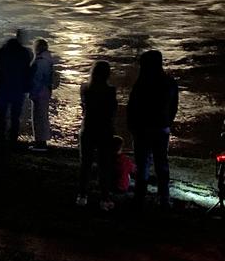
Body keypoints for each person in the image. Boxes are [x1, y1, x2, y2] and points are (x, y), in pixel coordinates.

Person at [127, 50, 178, 208]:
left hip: (142, 129)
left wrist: (132, 126)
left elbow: (132, 107)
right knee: (161, 163)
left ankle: (139, 197)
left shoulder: (141, 83)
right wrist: (167, 122)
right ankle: (164, 198)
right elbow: (174, 106)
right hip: (161, 128)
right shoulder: (169, 82)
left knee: (142, 163)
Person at [76, 61, 117, 210]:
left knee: (85, 164)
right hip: (104, 130)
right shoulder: (111, 91)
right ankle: (104, 199)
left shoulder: (84, 88)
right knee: (104, 165)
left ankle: (82, 196)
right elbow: (113, 112)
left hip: (87, 128)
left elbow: (83, 107)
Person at [0, 29, 32, 147]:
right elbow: (28, 72)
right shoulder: (25, 53)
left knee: (1, 114)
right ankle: (13, 139)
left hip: (4, 87)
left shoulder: (3, 50)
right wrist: (26, 87)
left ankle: (0, 138)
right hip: (18, 88)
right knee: (15, 116)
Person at [29, 38, 54, 152]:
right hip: (45, 91)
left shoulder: (40, 61)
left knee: (38, 118)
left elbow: (37, 79)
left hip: (39, 92)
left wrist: (32, 92)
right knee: (43, 117)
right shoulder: (48, 60)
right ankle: (41, 142)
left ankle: (40, 143)